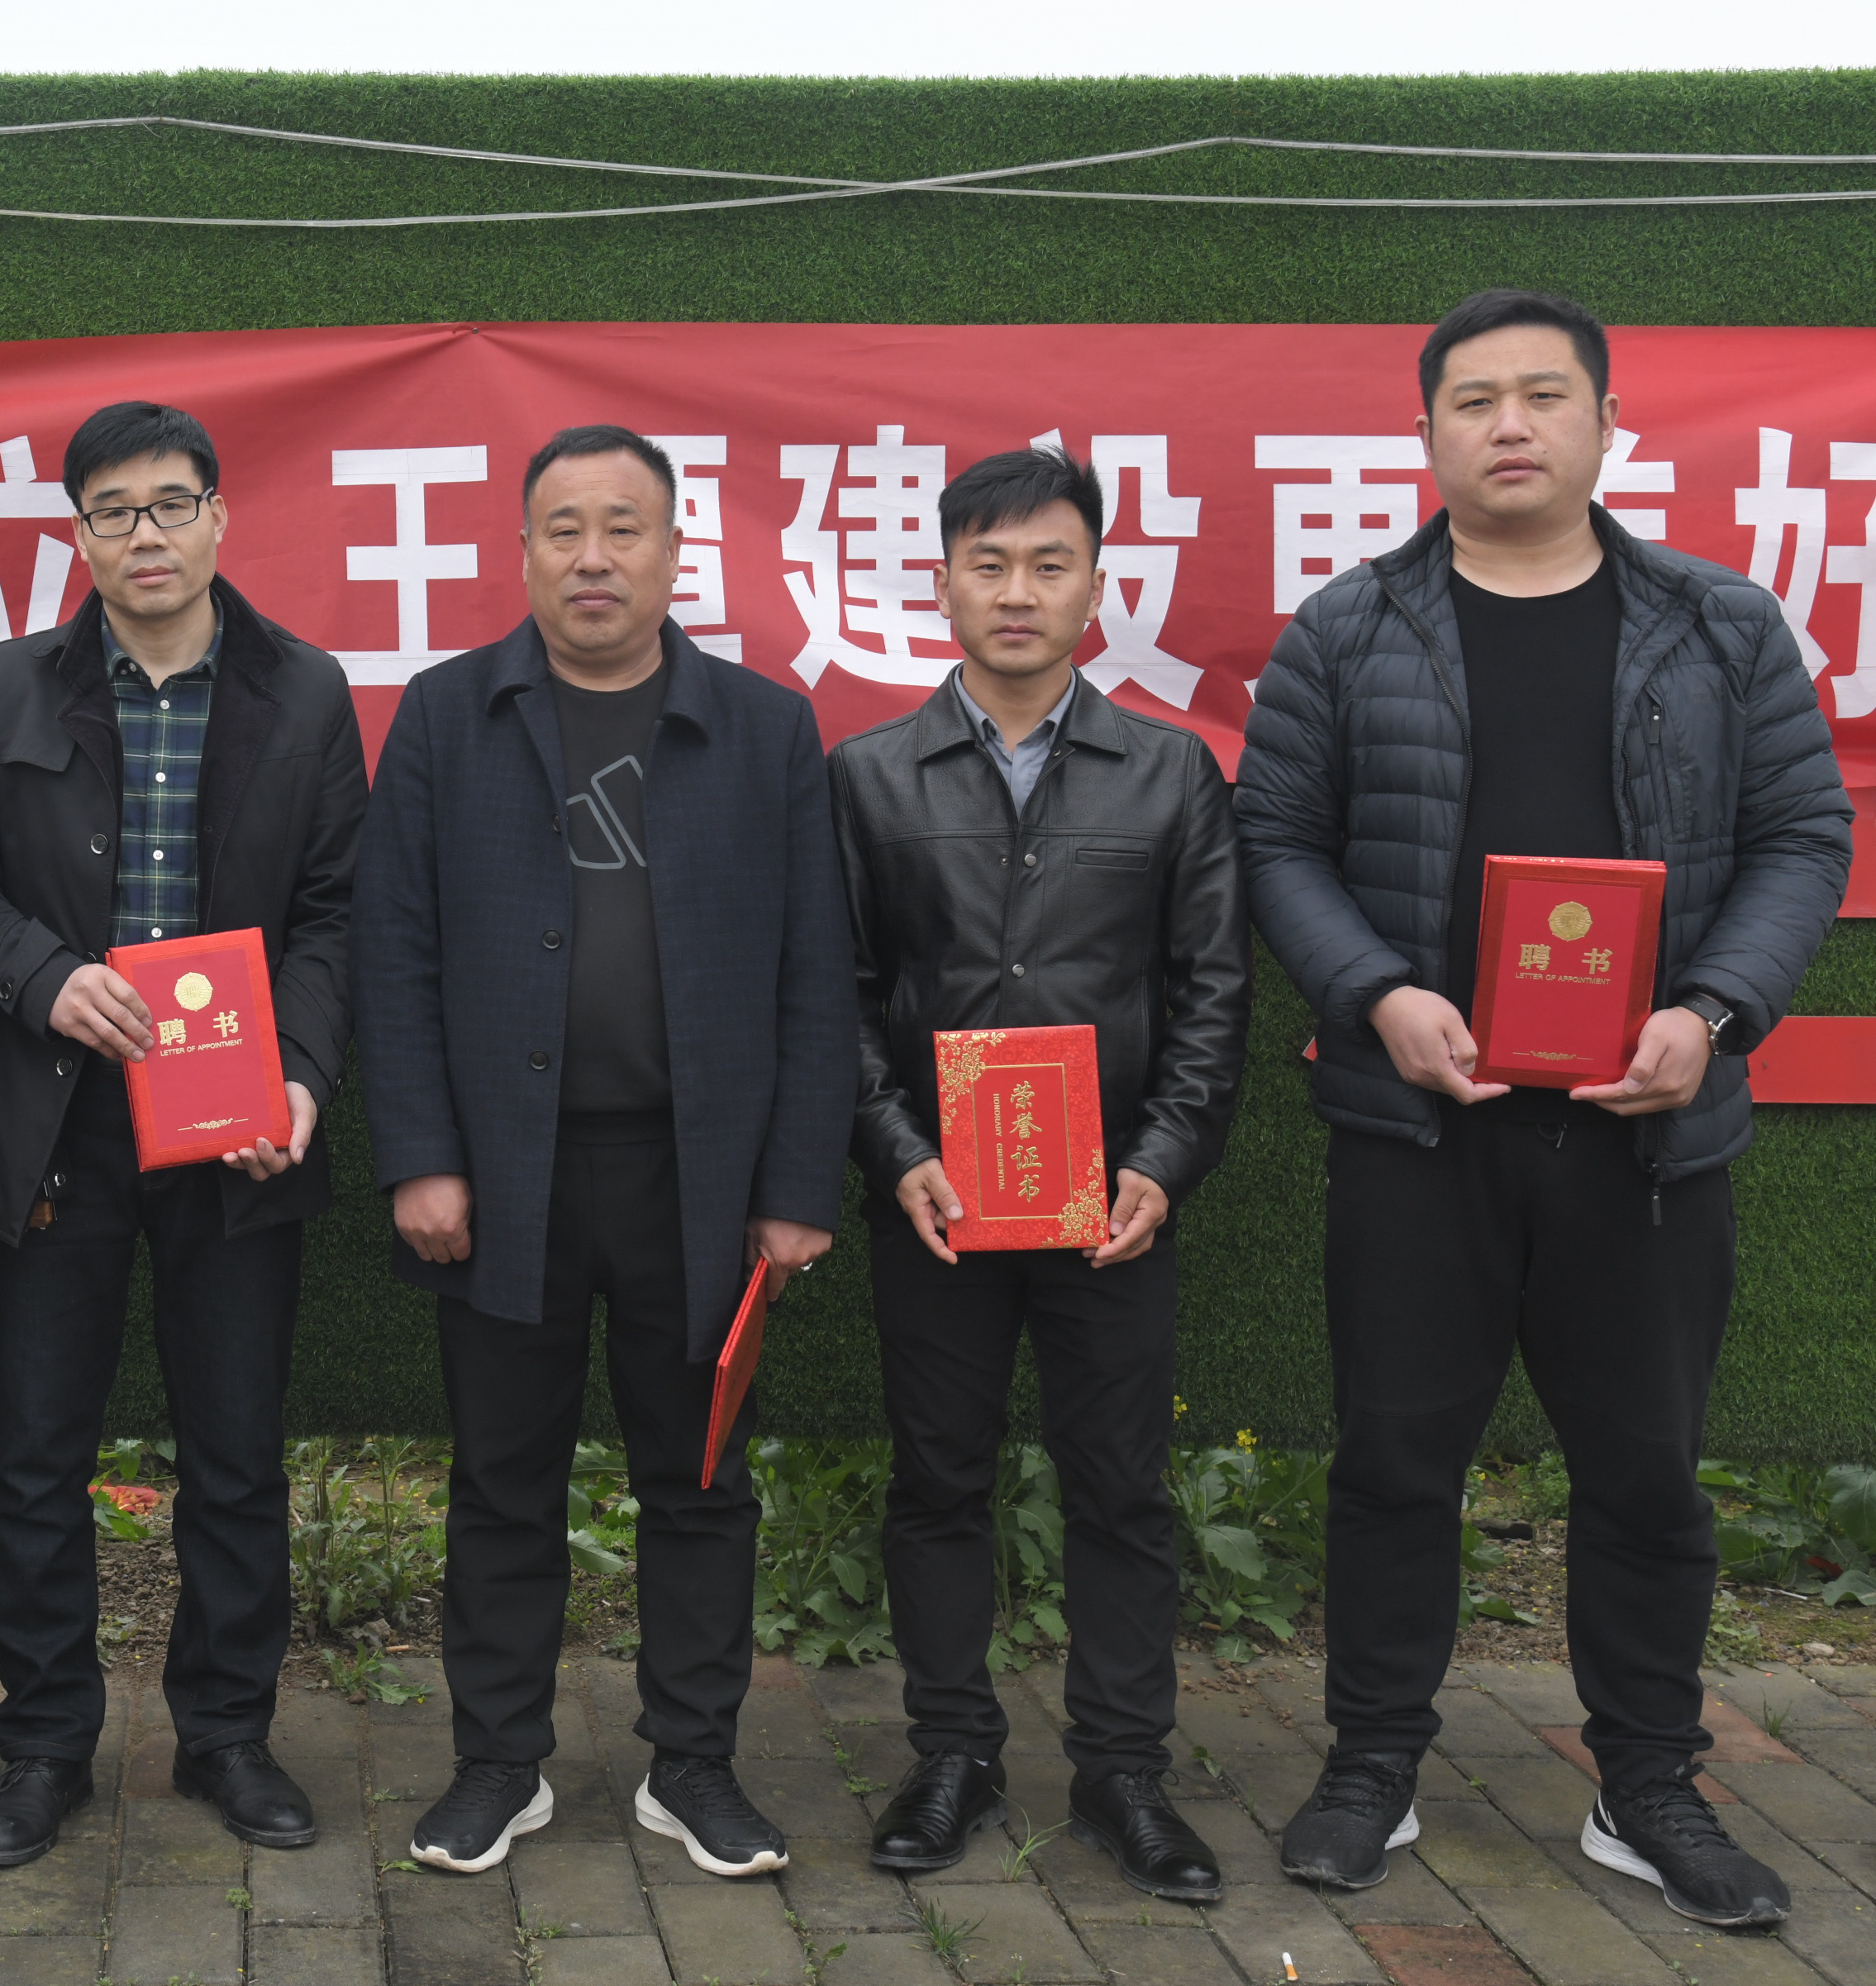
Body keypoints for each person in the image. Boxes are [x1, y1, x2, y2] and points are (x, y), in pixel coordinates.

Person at [1239, 290, 1848, 1931]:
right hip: (1418, 1130)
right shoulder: (1348, 629)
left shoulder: (1721, 626)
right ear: (1426, 433)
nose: (1510, 424)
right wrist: (1378, 991)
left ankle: (1648, 1779)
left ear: (1605, 423)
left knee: (1646, 1472)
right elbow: (1276, 839)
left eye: (1545, 394)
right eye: (1475, 400)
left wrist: (1710, 1015)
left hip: (1648, 1136)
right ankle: (1372, 1760)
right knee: (1392, 1460)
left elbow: (1803, 835)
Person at [354, 426, 855, 1878]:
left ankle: (692, 1765)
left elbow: (817, 972)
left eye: (623, 528)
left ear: (676, 551)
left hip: (699, 1180)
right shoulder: (448, 716)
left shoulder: (764, 728)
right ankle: (496, 1765)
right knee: (502, 1479)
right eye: (563, 528)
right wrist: (422, 1156)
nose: (593, 557)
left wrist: (794, 1188)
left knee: (698, 1480)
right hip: (503, 1172)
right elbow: (394, 950)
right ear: (521, 554)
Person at [0, 401, 368, 1866]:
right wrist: (43, 978)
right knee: (34, 1457)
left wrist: (301, 1076)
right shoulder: (10, 689)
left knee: (236, 1453)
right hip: (55, 1123)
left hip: (240, 1130)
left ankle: (228, 1735)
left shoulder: (304, 693)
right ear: (77, 535)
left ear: (219, 517)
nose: (146, 533)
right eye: (113, 510)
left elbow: (334, 912)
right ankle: (43, 1745)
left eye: (171, 503)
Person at [826, 448, 1248, 1902]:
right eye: (990, 564)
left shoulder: (1171, 772)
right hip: (938, 1209)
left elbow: (1212, 993)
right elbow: (837, 993)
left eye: (1049, 564)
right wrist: (896, 1155)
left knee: (1119, 1489)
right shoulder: (869, 776)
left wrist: (1163, 1166)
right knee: (938, 1480)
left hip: (1110, 1211)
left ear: (1097, 587)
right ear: (942, 581)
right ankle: (952, 1754)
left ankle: (1125, 1772)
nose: (1019, 592)